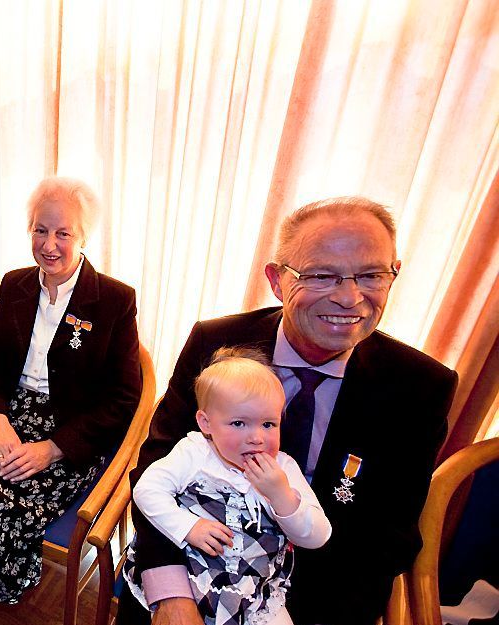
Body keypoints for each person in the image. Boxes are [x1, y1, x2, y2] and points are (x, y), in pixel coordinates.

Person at [120, 197, 458, 625]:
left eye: (371, 275)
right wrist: (170, 594)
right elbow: (157, 467)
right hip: (190, 560)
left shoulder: (420, 386)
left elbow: (387, 535)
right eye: (322, 275)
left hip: (318, 589)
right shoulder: (215, 342)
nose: (350, 297)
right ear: (277, 281)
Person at [0, 177, 141, 625]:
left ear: (84, 237)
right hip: (7, 417)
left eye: (62, 233)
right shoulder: (15, 285)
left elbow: (122, 399)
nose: (49, 244)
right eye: (40, 230)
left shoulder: (114, 300)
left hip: (68, 435)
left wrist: (52, 449)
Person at [130, 348, 331, 625]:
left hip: (257, 592)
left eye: (269, 424)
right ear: (206, 423)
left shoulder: (283, 468)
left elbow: (317, 536)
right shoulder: (194, 451)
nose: (257, 438)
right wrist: (188, 526)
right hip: (194, 576)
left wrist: (281, 495)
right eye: (239, 423)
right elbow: (147, 489)